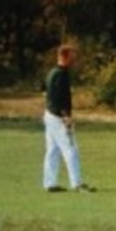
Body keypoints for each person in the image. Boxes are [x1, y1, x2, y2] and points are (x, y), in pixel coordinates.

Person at [43, 45, 94, 192]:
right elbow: (59, 98)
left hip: (50, 115)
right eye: (72, 57)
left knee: (52, 150)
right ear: (64, 57)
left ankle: (50, 183)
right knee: (70, 149)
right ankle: (76, 183)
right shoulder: (61, 75)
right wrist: (66, 116)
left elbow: (46, 92)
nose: (74, 60)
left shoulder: (53, 72)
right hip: (58, 117)